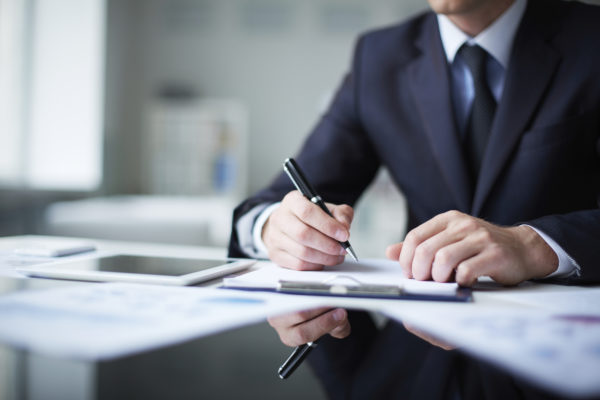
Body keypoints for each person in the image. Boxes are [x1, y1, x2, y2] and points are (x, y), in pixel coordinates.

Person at [229, 0, 600, 397]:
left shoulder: (591, 39)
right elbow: (271, 203)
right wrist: (276, 228)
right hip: (414, 360)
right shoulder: (379, 56)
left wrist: (535, 246)